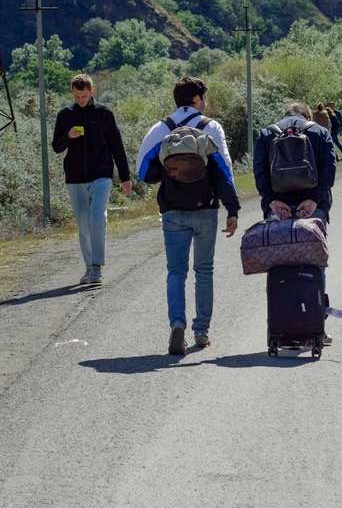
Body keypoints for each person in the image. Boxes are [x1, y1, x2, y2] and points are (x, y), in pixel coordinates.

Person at [136, 76, 240, 355]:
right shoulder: (210, 127)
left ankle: (177, 324)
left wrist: (169, 169)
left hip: (173, 212)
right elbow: (224, 171)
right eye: (204, 98)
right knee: (204, 271)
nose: (205, 103)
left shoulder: (161, 129)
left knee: (176, 272)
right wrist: (233, 209)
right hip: (205, 209)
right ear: (196, 99)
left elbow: (143, 173)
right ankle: (201, 333)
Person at [253, 102, 337, 344]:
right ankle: (315, 324)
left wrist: (272, 201)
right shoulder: (320, 132)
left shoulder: (267, 133)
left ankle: (283, 324)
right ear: (308, 116)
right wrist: (314, 200)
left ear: (285, 116)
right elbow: (329, 171)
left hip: (277, 210)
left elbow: (259, 173)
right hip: (313, 210)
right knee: (315, 262)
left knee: (280, 265)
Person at [52, 74, 133, 285]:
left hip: (101, 175)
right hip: (75, 178)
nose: (80, 100)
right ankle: (88, 266)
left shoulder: (104, 113)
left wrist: (125, 177)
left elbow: (117, 146)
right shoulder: (64, 115)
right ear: (72, 93)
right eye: (77, 96)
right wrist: (67, 137)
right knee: (83, 225)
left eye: (84, 96)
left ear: (92, 92)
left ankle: (97, 267)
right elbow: (56, 147)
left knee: (97, 219)